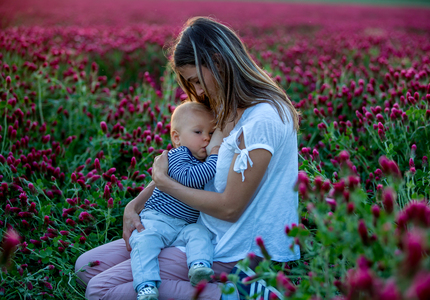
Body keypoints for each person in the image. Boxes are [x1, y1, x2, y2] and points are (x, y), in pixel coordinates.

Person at [75, 16, 300, 300]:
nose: (199, 91)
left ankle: (238, 295)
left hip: (235, 249)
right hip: (197, 230)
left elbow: (231, 208)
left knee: (100, 289)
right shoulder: (224, 107)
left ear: (218, 63)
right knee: (85, 268)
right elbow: (185, 171)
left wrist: (164, 183)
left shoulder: (263, 118)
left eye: (196, 80)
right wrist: (136, 203)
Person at [130, 101, 219, 300]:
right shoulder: (178, 156)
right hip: (158, 220)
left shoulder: (200, 160)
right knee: (144, 244)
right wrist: (215, 156)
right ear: (177, 138)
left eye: (211, 133)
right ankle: (146, 285)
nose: (206, 138)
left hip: (183, 226)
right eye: (198, 132)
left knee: (200, 233)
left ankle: (199, 267)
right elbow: (191, 178)